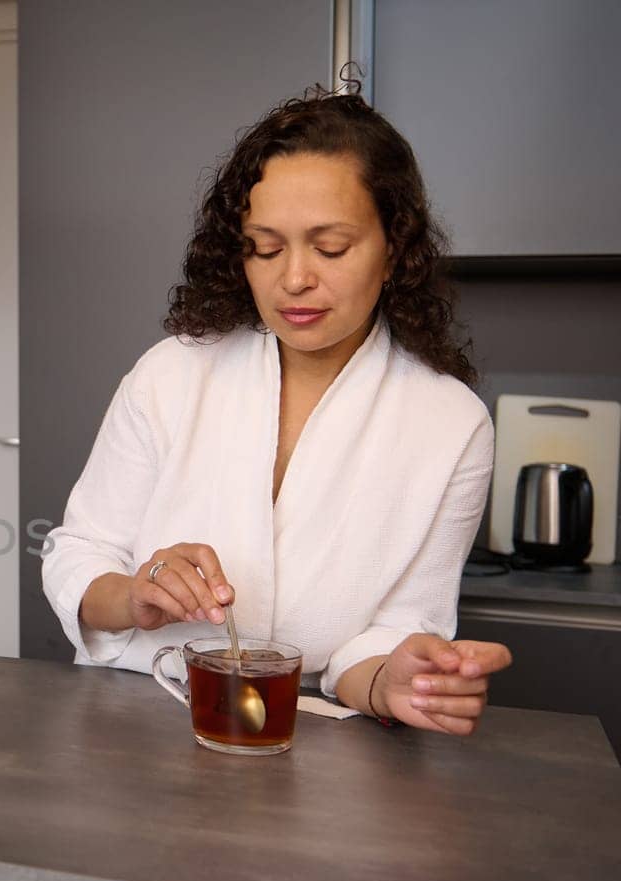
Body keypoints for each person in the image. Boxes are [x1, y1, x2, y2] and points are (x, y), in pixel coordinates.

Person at [40, 86, 511, 735]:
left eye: (331, 247)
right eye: (265, 246)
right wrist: (135, 596)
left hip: (306, 735)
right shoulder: (174, 372)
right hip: (129, 715)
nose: (293, 278)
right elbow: (78, 553)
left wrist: (391, 679)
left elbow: (393, 633)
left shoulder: (451, 425)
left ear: (394, 249)